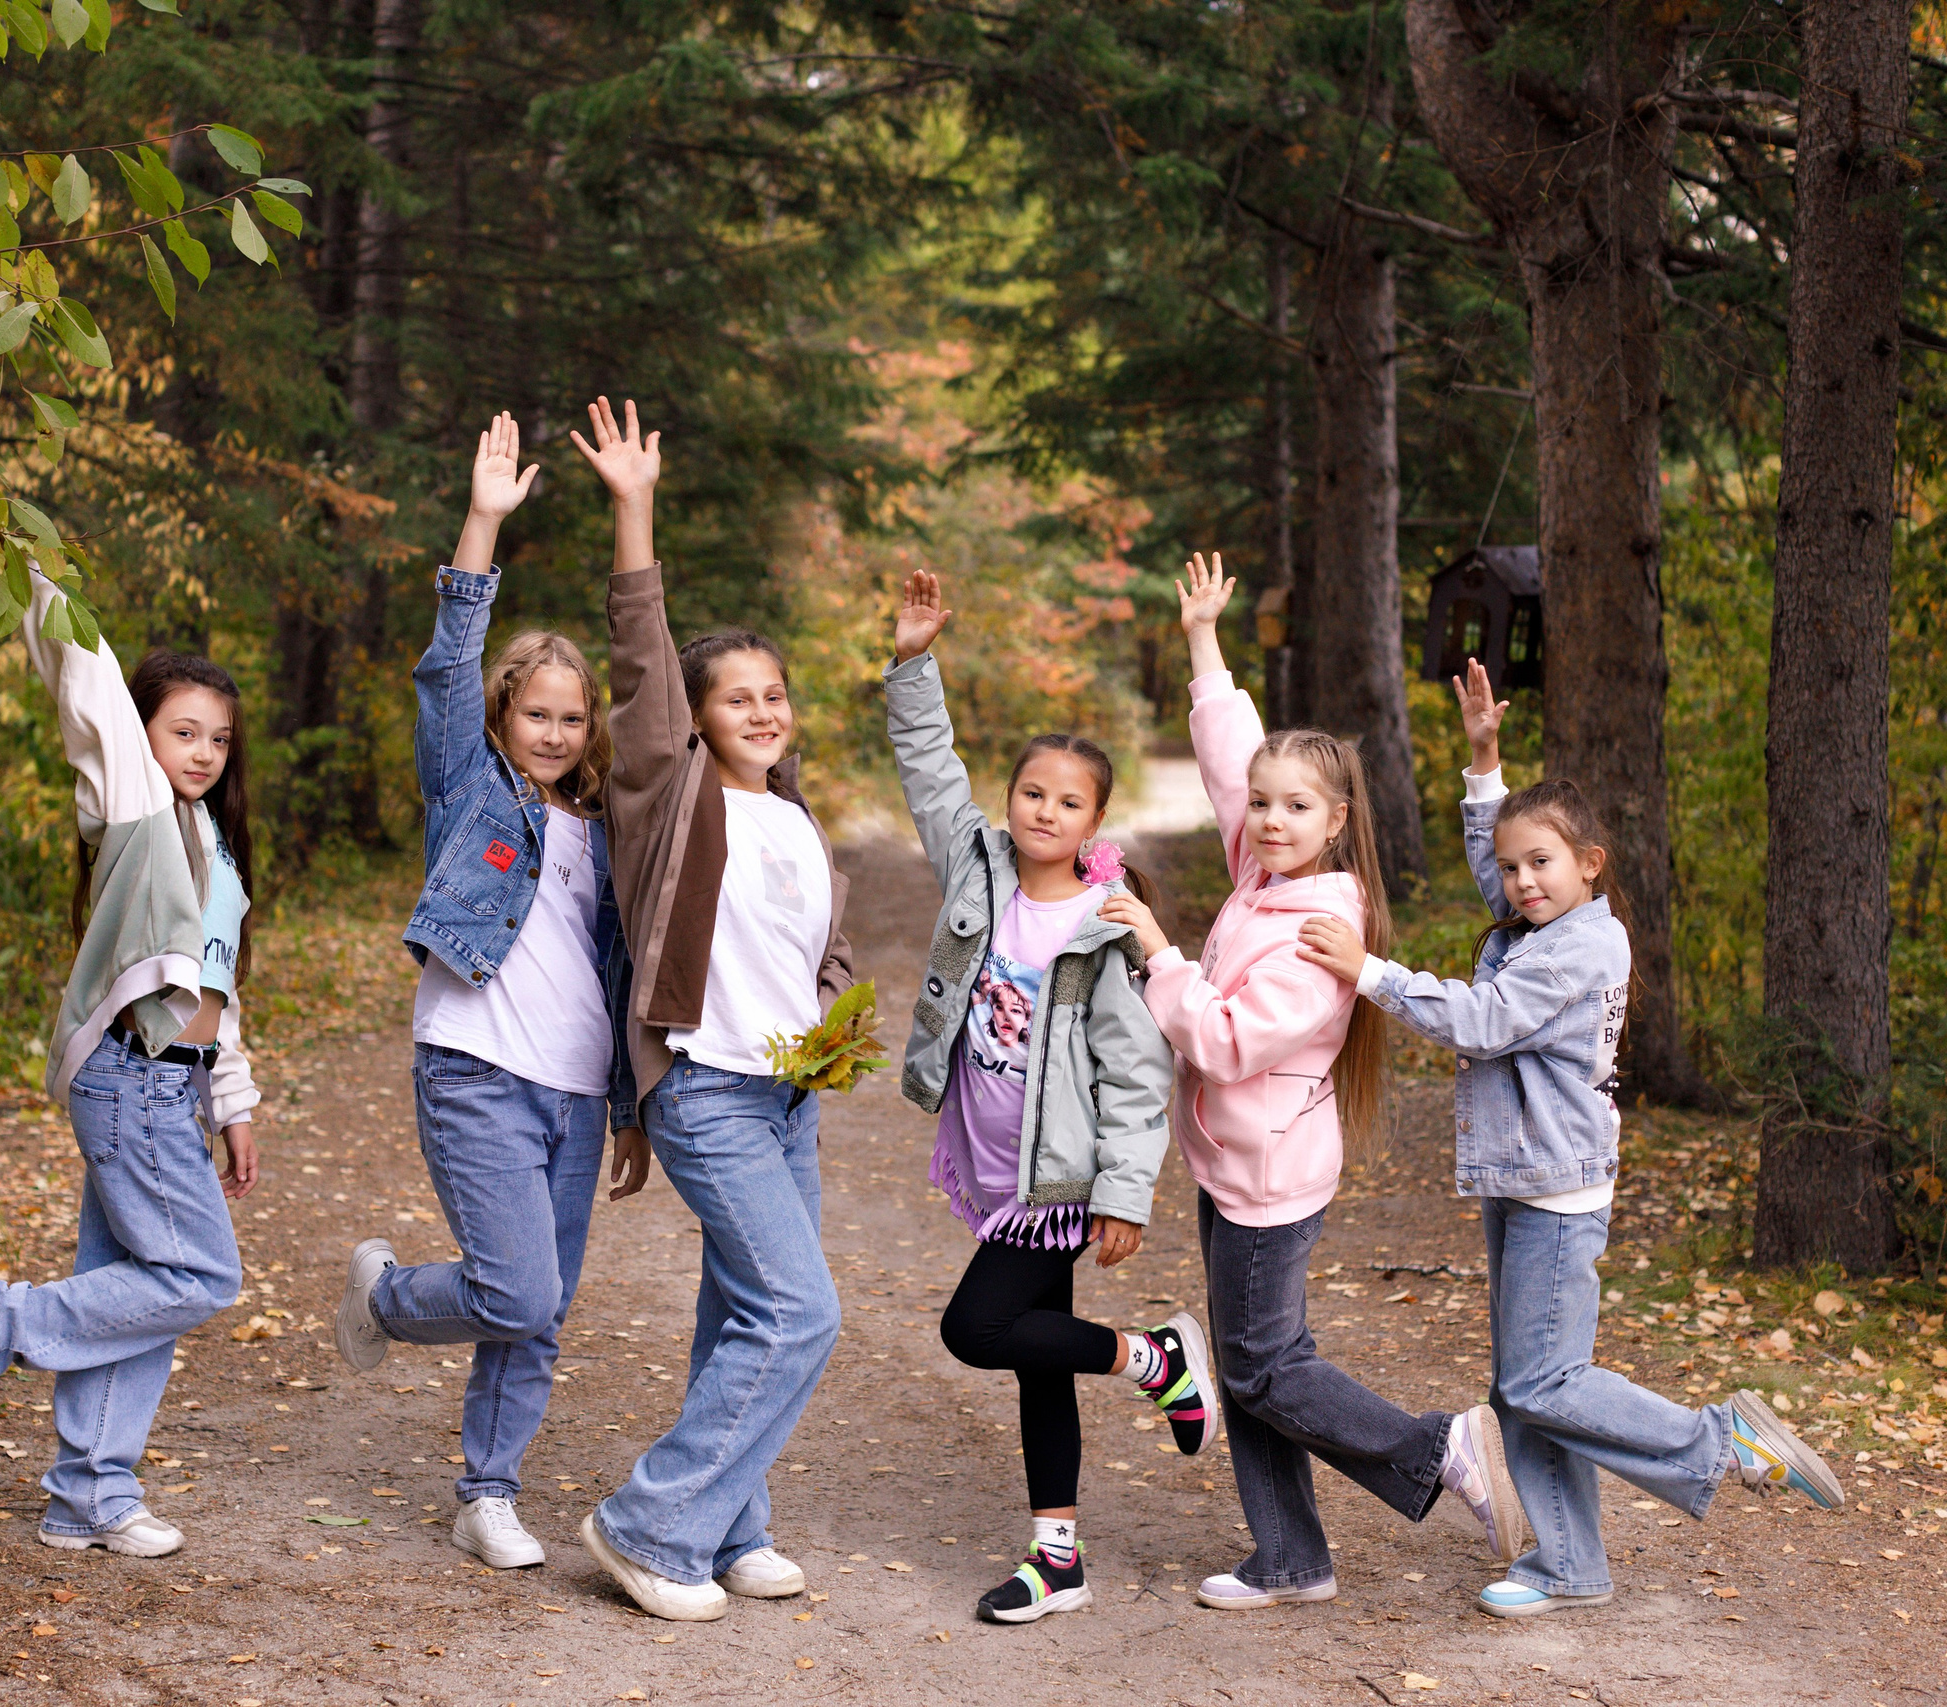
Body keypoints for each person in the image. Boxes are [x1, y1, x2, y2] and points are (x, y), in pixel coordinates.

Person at [1298, 657, 1844, 1619]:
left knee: (1546, 1378)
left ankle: (1723, 1442)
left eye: (1541, 862)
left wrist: (1370, 969)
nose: (1517, 880)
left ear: (1591, 864)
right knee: (1524, 1389)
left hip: (1557, 1188)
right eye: (1512, 866)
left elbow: (1482, 1019)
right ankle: (1570, 1563)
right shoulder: (1540, 919)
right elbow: (1493, 864)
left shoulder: (1582, 946)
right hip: (1524, 1175)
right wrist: (1483, 762)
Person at [1097, 554, 1527, 1611]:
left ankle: (1441, 1451)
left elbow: (1229, 1038)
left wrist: (1158, 948)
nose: (1270, 819)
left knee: (1263, 1370)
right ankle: (1290, 1558)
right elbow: (1229, 753)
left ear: (1337, 820)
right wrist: (1203, 639)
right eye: (1263, 806)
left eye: (1296, 806)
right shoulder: (1264, 869)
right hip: (1236, 1159)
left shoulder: (1320, 932)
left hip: (1269, 1177)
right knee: (1256, 1366)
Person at [331, 411, 644, 1573]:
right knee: (514, 1289)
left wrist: (625, 1111)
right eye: (537, 714)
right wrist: (482, 522)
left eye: (572, 717)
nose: (556, 732)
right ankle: (389, 1300)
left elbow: (617, 976)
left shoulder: (603, 829)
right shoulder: (469, 790)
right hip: (474, 1069)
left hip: (570, 1092)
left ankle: (487, 1493)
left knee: (539, 1311)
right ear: (506, 717)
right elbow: (446, 666)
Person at [569, 397, 856, 1623]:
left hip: (783, 1096)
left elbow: (819, 958)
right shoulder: (668, 799)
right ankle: (645, 1525)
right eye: (736, 696)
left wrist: (836, 1029)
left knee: (745, 1309)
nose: (762, 709)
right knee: (802, 1310)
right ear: (693, 718)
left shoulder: (790, 816)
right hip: (705, 1091)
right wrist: (634, 510)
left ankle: (733, 1525)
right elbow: (638, 665)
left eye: (775, 693)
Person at [0, 574, 262, 1560]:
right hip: (132, 1076)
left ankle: (89, 1494)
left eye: (217, 738)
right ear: (143, 739)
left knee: (133, 1280)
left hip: (175, 1084)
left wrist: (231, 1099)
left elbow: (215, 990)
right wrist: (23, 554)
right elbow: (87, 678)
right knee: (198, 1274)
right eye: (182, 730)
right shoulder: (136, 807)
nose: (200, 752)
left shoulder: (213, 849)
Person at [883, 570, 1186, 1625]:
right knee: (1033, 1360)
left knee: (977, 1327)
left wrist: (1124, 1191)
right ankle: (1057, 1555)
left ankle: (1153, 1356)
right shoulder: (981, 872)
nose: (1043, 810)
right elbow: (929, 774)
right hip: (992, 1161)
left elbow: (1140, 1075)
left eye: (1068, 801)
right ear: (1010, 802)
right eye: (1030, 793)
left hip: (1053, 1177)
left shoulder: (1105, 927)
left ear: (1097, 818)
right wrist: (915, 662)